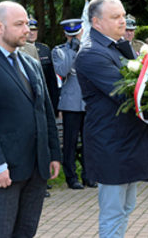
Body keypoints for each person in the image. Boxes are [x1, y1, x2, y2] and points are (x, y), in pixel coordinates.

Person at [0, 1, 62, 237]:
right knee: (1, 232)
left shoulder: (32, 63)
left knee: (26, 232)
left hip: (36, 166)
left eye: (27, 23)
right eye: (19, 24)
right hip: (4, 169)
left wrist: (53, 153)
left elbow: (45, 112)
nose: (26, 29)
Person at [74, 0, 148, 238]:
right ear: (96, 22)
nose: (123, 21)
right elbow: (126, 94)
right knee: (113, 212)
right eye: (115, 17)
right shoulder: (91, 53)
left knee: (125, 207)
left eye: (123, 15)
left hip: (128, 141)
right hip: (110, 144)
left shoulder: (118, 47)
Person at [52, 18, 96, 190]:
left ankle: (89, 175)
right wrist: (72, 50)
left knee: (89, 142)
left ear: (82, 31)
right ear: (65, 34)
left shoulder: (90, 48)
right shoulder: (59, 51)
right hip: (70, 103)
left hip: (87, 101)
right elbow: (62, 71)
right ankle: (71, 177)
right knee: (70, 143)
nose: (75, 37)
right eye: (71, 35)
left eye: (77, 33)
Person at [28, 17, 61, 117]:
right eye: (29, 30)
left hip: (44, 97)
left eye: (34, 30)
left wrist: (55, 105)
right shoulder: (17, 50)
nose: (32, 33)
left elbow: (52, 81)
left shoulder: (44, 49)